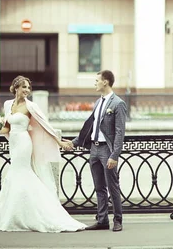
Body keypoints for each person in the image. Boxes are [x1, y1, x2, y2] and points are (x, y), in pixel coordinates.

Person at [0, 75, 86, 233]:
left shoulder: (31, 106)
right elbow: (6, 129)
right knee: (14, 176)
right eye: (24, 87)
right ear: (16, 88)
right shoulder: (8, 105)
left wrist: (60, 142)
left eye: (28, 87)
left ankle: (36, 214)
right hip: (13, 144)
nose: (27, 90)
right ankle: (12, 217)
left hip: (23, 143)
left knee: (21, 173)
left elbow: (45, 125)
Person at [63, 70, 127, 232]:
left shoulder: (118, 103)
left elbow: (120, 132)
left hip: (107, 150)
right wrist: (74, 142)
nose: (95, 83)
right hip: (94, 149)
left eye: (97, 80)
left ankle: (117, 220)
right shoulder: (98, 102)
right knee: (99, 187)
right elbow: (91, 127)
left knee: (113, 187)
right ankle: (102, 220)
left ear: (105, 82)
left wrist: (114, 155)